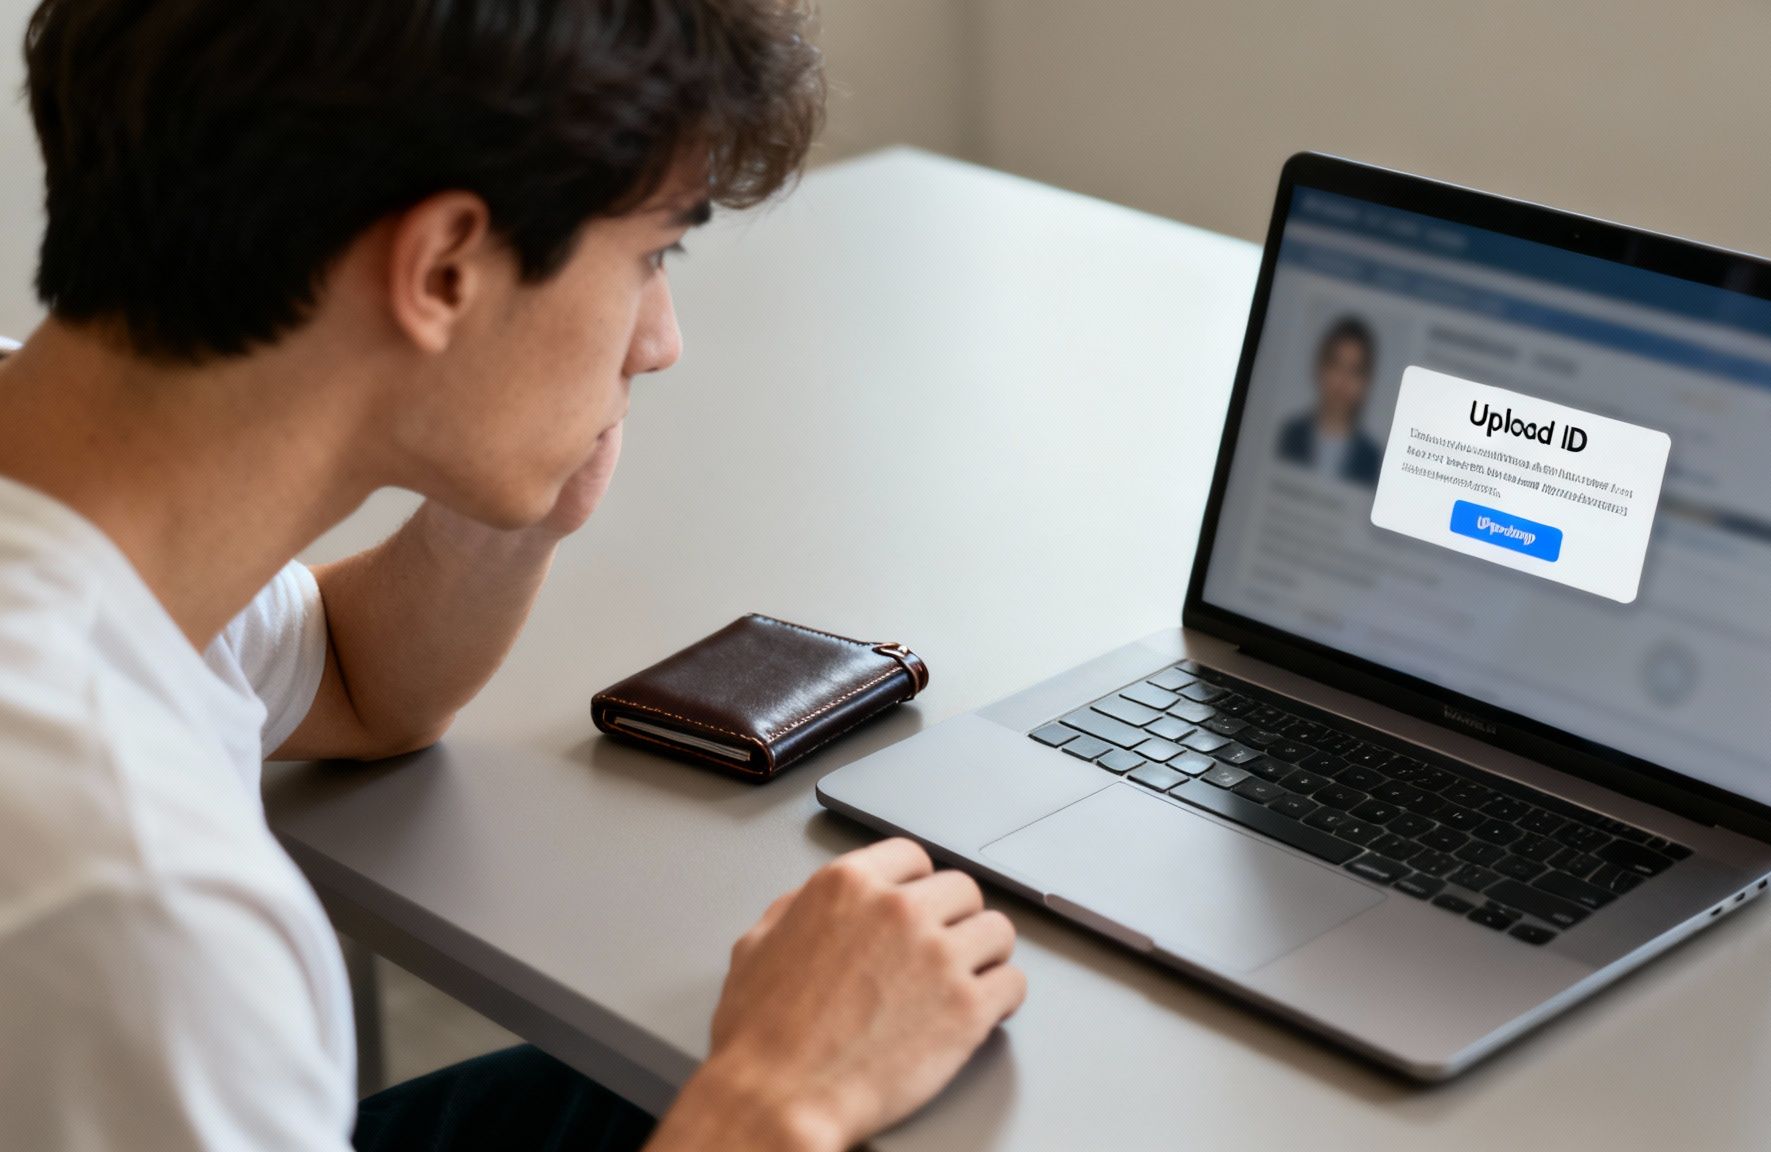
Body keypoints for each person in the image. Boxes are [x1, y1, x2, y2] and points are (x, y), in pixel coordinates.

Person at [0, 2, 1025, 1151]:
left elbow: (348, 678)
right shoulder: (132, 906)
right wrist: (780, 1100)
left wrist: (515, 500)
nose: (658, 339)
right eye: (650, 255)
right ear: (442, 268)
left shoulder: (80, 501)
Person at [1276, 315, 1386, 485]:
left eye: (1355, 371)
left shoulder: (1372, 459)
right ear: (1321, 368)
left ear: (1366, 382)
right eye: (1337, 365)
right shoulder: (1289, 437)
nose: (1343, 381)